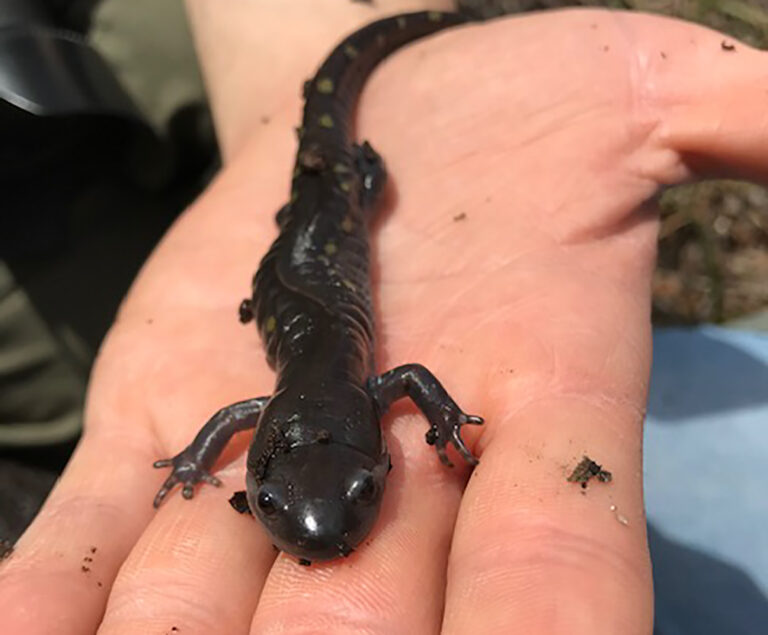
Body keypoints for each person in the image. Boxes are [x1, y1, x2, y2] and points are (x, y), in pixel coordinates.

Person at [1, 1, 764, 632]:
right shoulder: (330, 398)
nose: (326, 531)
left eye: (363, 492)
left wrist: (204, 456)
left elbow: (359, 386)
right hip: (299, 253)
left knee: (344, 179)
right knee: (331, 185)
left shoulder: (335, 397)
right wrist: (442, 415)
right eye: (266, 503)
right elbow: (400, 381)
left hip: (312, 236)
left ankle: (378, 98)